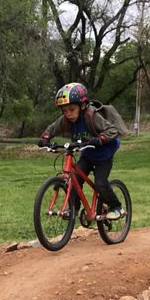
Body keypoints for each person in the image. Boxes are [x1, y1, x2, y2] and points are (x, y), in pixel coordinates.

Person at [38, 82, 125, 220]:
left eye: (71, 109)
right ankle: (74, 209)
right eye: (64, 111)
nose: (68, 114)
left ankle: (117, 207)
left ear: (83, 106)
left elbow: (112, 130)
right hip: (88, 154)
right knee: (74, 179)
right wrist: (45, 138)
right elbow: (52, 128)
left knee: (100, 183)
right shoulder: (66, 120)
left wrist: (101, 138)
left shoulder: (92, 116)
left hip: (104, 155)